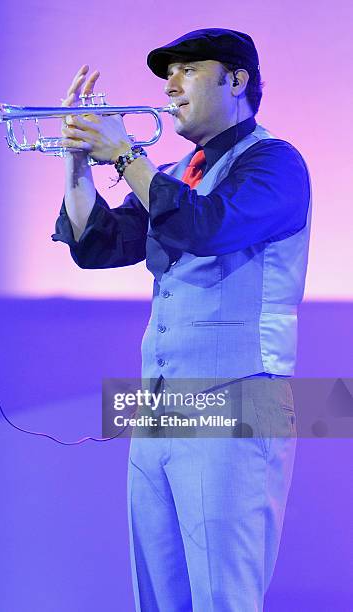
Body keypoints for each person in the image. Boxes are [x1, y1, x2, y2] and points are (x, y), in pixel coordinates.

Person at [52, 28, 311, 612]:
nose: (170, 84)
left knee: (224, 596)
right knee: (158, 594)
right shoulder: (174, 171)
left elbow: (207, 227)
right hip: (159, 407)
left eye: (189, 69)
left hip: (243, 400)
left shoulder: (276, 162)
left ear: (236, 79)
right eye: (168, 73)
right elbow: (97, 245)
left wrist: (126, 154)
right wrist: (76, 160)